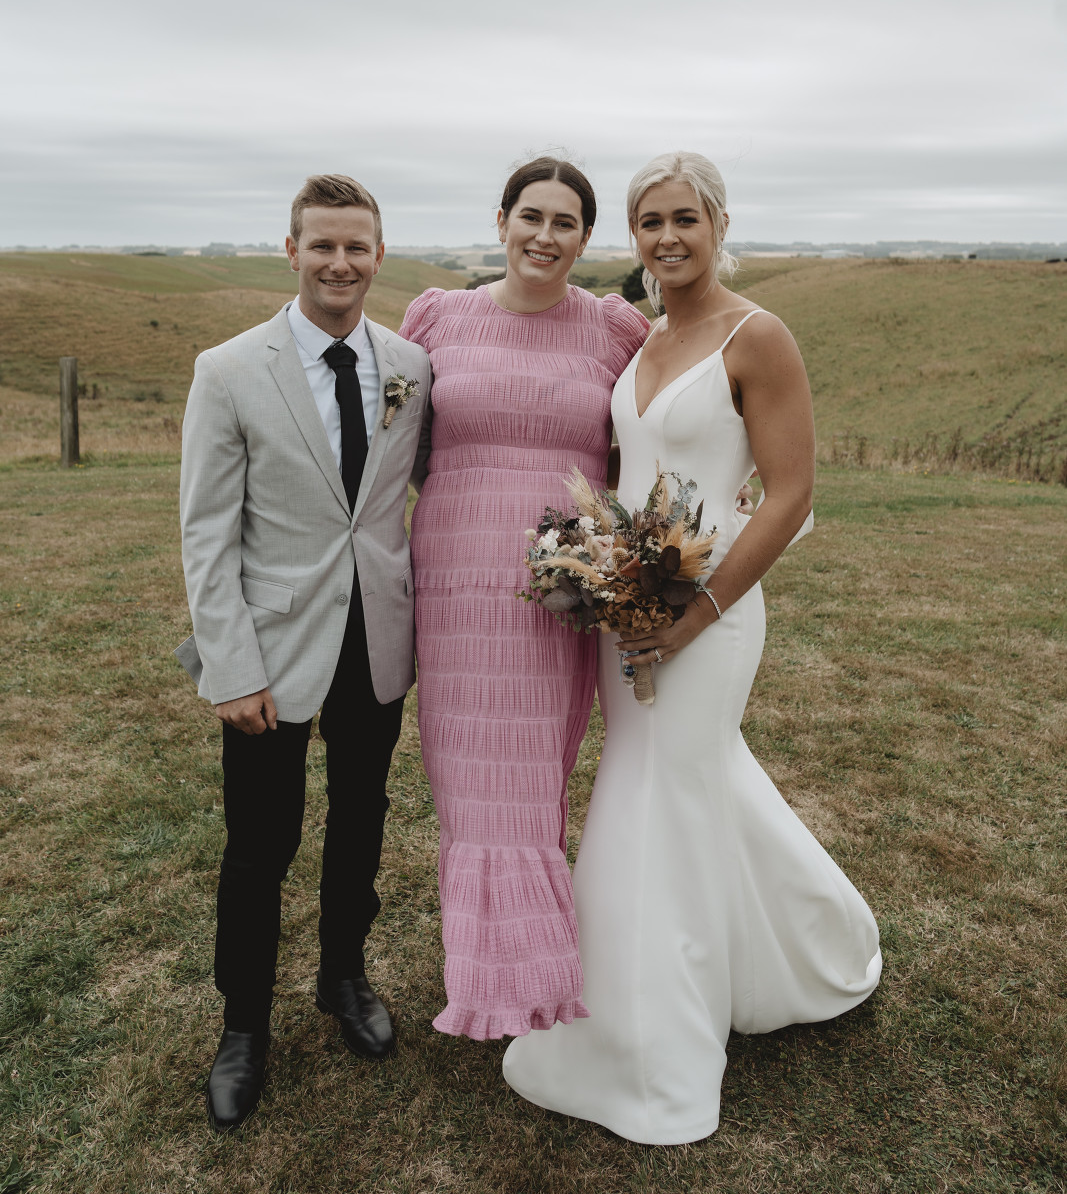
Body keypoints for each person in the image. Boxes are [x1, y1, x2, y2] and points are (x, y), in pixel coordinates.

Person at [503, 152, 881, 1144]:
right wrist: (601, 575)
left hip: (712, 613)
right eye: (649, 221)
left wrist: (695, 611)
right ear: (633, 236)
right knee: (676, 783)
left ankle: (643, 1046)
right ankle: (803, 940)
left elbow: (789, 494)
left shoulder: (758, 336)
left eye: (683, 218)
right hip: (627, 606)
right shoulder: (647, 336)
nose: (666, 237)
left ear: (717, 225)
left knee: (658, 795)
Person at [175, 173, 431, 1133]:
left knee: (361, 819)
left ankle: (343, 977)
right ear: (292, 251)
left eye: (356, 246)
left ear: (378, 254)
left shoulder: (411, 365)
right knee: (260, 844)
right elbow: (207, 535)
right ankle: (243, 1025)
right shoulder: (228, 369)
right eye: (322, 244)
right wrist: (229, 668)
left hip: (378, 635)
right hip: (272, 647)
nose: (339, 262)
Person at [399, 156, 649, 1040]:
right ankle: (487, 978)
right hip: (452, 582)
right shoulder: (437, 317)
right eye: (530, 216)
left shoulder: (613, 330)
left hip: (558, 593)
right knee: (466, 782)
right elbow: (399, 445)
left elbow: (652, 438)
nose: (544, 236)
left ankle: (537, 979)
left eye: (564, 222)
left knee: (531, 777)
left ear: (585, 238)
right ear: (500, 221)